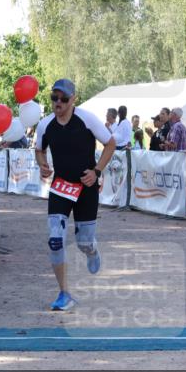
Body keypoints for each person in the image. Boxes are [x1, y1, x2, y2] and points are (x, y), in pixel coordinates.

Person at [35, 78, 116, 311]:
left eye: (63, 98)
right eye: (54, 98)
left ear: (73, 100)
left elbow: (110, 144)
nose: (58, 102)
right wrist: (42, 164)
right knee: (55, 240)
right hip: (61, 187)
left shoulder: (87, 119)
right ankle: (64, 294)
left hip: (86, 187)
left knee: (84, 242)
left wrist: (96, 171)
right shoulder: (45, 125)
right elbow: (39, 149)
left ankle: (92, 250)